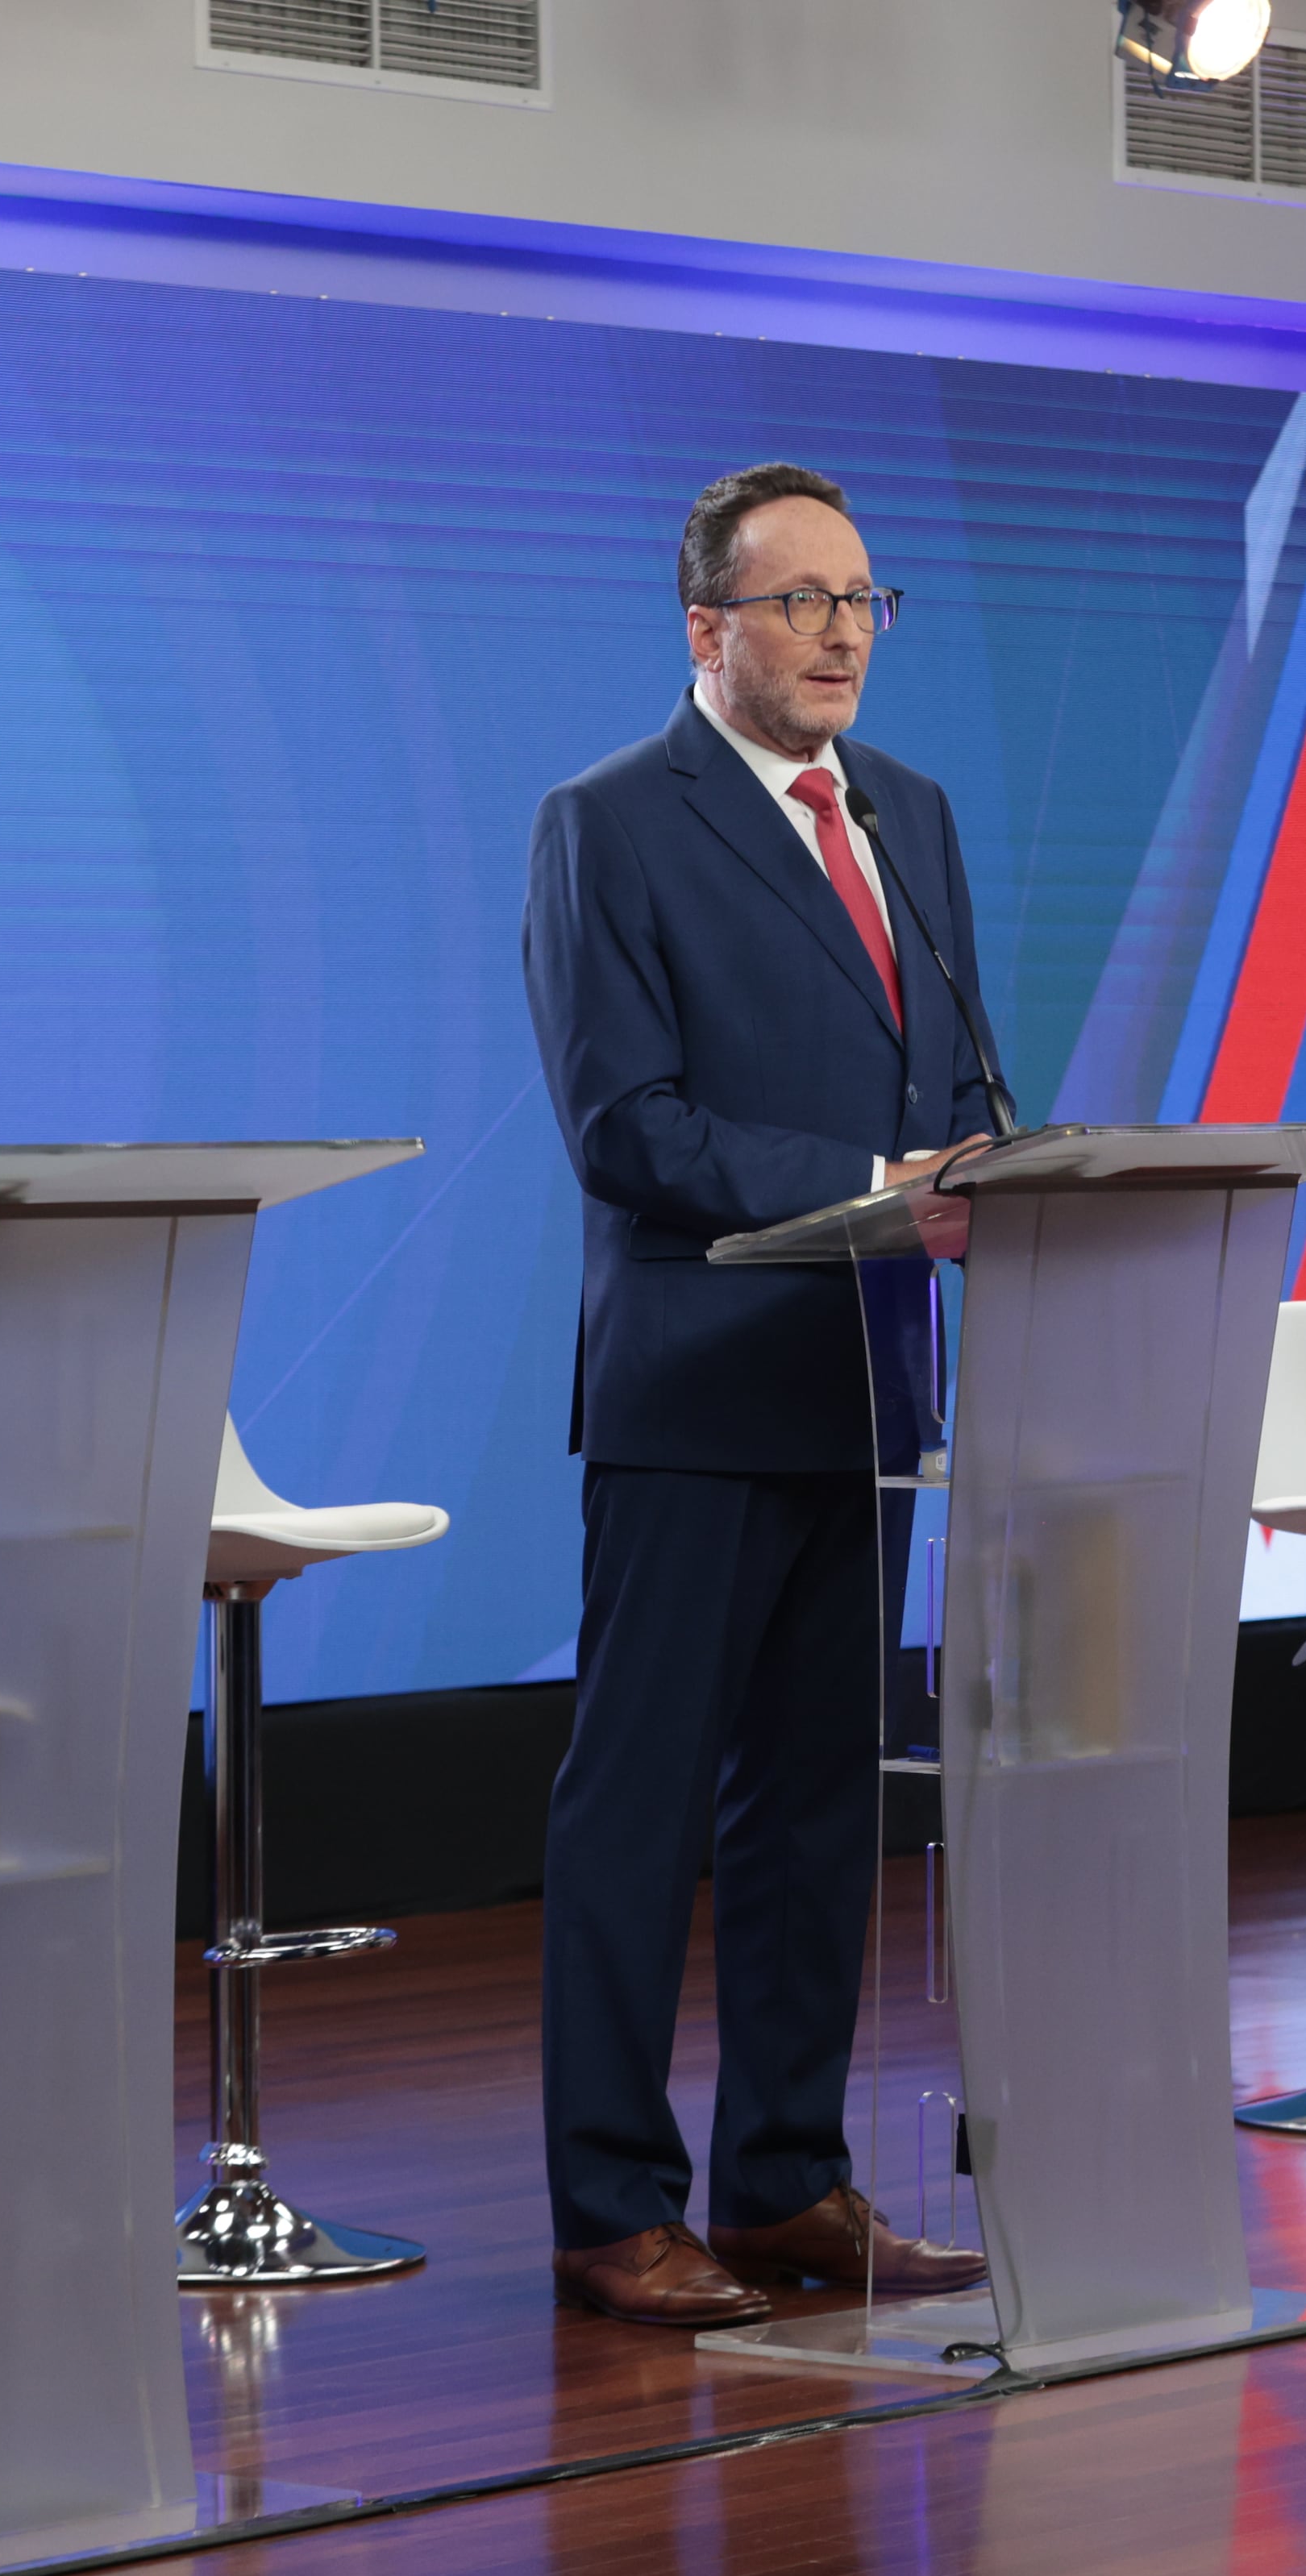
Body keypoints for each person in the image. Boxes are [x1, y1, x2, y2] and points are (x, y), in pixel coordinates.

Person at [522, 463, 1002, 2325]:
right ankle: (610, 2202)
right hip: (698, 1376)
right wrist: (869, 1188)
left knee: (818, 1802)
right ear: (706, 624)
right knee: (639, 1807)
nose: (841, 633)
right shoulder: (611, 823)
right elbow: (622, 1126)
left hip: (869, 1373)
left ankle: (789, 2177)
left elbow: (942, 1071)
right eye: (800, 600)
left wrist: (972, 1172)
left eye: (864, 599)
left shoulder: (912, 815)